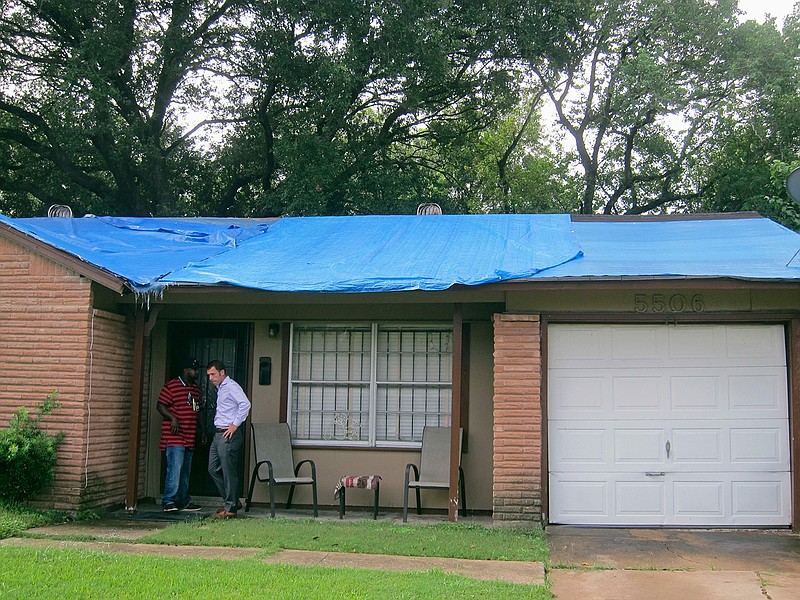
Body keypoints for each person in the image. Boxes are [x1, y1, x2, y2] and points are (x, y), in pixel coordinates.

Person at [157, 357, 203, 512]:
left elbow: (198, 411)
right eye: (193, 370)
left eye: (197, 370)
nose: (196, 372)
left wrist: (202, 430)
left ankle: (183, 500)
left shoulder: (196, 389)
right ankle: (168, 501)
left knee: (185, 471)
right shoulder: (172, 386)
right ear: (185, 370)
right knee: (175, 468)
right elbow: (160, 405)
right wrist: (173, 418)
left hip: (190, 435)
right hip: (175, 436)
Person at [206, 359, 251, 518]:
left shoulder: (231, 386)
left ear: (222, 372)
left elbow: (245, 404)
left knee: (228, 471)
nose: (210, 378)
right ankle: (231, 500)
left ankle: (230, 509)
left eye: (213, 374)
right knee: (212, 468)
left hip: (228, 434)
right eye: (209, 375)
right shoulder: (220, 388)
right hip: (218, 434)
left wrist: (235, 425)